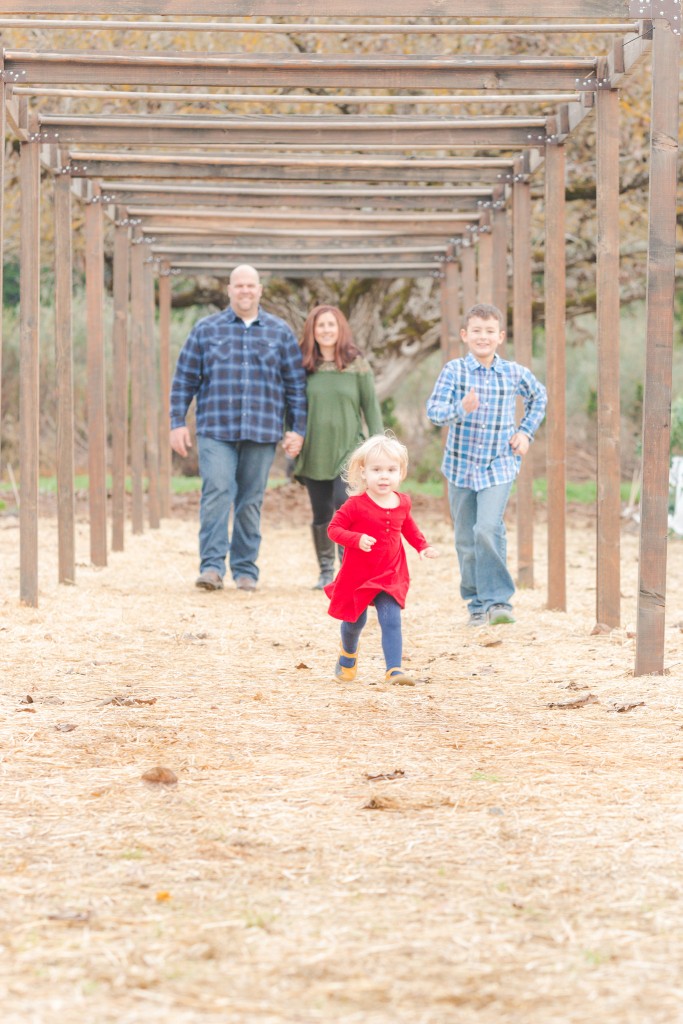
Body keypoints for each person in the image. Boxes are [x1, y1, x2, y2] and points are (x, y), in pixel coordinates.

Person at [169, 264, 307, 592]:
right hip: (216, 428)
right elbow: (185, 378)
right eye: (239, 286)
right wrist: (177, 422)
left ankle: (245, 569)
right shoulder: (206, 329)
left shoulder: (280, 332)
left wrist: (297, 429)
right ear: (229, 290)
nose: (245, 291)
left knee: (250, 499)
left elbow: (295, 386)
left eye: (251, 286)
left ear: (260, 290)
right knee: (217, 490)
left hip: (262, 430)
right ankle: (212, 567)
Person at [426, 302, 547, 627]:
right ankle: (476, 604)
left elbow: (539, 397)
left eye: (489, 331)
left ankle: (499, 603)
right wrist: (461, 408)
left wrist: (525, 433)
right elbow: (434, 412)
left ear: (500, 336)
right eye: (476, 331)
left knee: (487, 528)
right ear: (465, 335)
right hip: (460, 467)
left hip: (498, 465)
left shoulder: (513, 372)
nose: (483, 337)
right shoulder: (454, 371)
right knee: (466, 540)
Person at [324, 434, 438, 685]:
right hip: (358, 574)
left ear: (401, 473)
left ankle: (394, 670)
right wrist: (356, 539)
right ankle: (348, 652)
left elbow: (409, 528)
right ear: (363, 473)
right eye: (377, 470)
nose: (384, 476)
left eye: (391, 470)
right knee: (355, 622)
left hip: (390, 574)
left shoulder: (402, 502)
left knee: (391, 619)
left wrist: (422, 546)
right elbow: (333, 529)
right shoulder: (355, 505)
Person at [293, 304, 383, 589]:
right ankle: (325, 571)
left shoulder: (357, 363)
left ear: (340, 328)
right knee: (321, 512)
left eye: (331, 324)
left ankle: (349, 570)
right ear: (313, 330)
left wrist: (378, 447)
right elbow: (292, 406)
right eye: (320, 325)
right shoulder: (304, 365)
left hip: (350, 450)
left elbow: (371, 408)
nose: (326, 330)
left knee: (344, 505)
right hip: (314, 450)